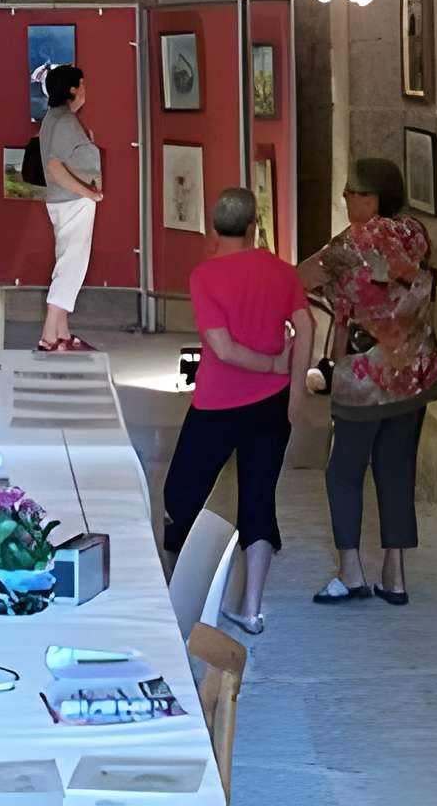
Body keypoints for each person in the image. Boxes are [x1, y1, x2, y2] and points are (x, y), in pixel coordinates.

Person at [295, 154, 437, 606]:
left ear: (375, 197)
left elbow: (301, 277)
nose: (345, 198)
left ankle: (351, 573)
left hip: (365, 379)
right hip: (414, 374)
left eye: (354, 192)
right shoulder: (416, 234)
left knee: (343, 471)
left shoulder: (354, 241)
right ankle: (395, 577)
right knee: (396, 470)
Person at [161, 186, 304, 637]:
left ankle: (181, 594)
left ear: (213, 227)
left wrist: (269, 365)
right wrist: (294, 385)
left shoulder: (204, 276)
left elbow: (222, 348)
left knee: (181, 494)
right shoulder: (282, 272)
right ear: (253, 227)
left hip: (217, 402)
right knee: (259, 499)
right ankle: (252, 609)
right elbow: (307, 325)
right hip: (272, 402)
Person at [38, 64, 102, 352]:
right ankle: (49, 336)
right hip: (72, 201)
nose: (85, 90)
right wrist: (88, 192)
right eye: (82, 84)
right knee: (71, 267)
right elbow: (55, 165)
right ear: (73, 89)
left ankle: (62, 334)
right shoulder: (65, 122)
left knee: (67, 262)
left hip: (61, 200)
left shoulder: (53, 118)